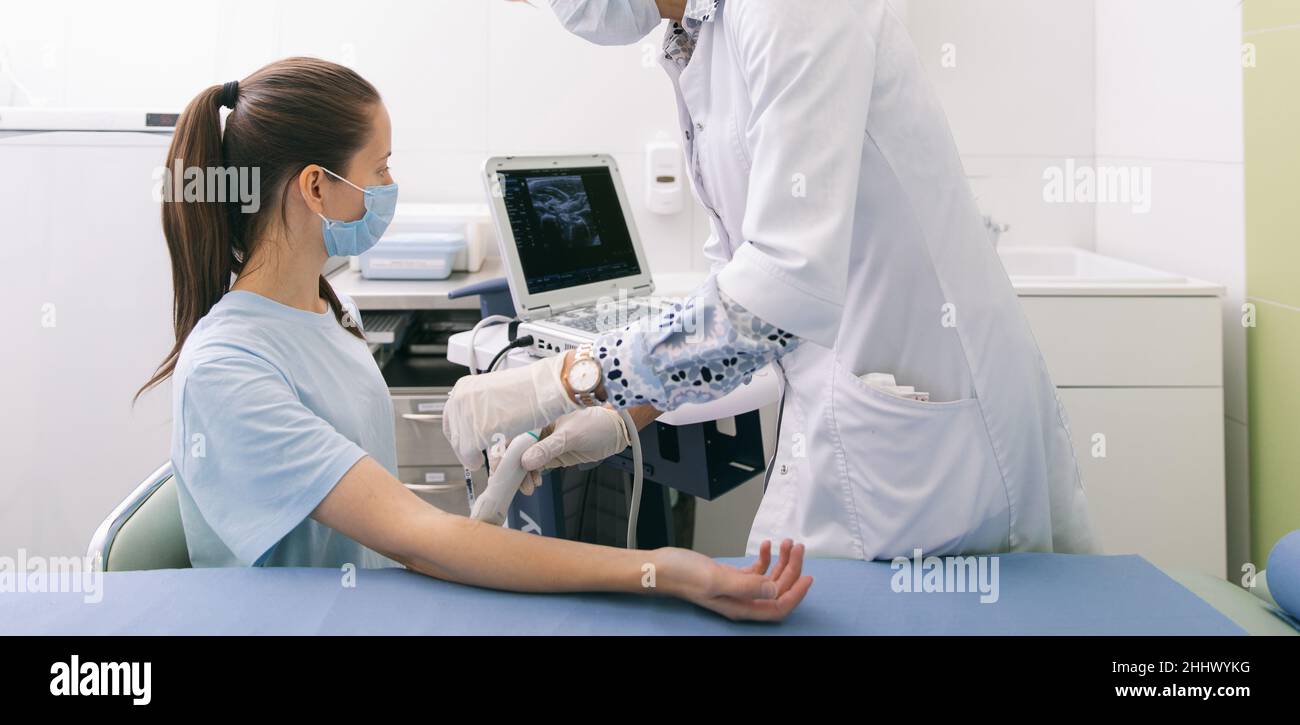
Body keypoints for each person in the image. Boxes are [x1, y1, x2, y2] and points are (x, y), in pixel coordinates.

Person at [138, 57, 811, 622]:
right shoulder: (229, 367)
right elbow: (416, 540)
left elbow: (394, 526)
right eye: (381, 169)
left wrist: (486, 504)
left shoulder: (322, 309)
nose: (390, 188)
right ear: (316, 186)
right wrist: (662, 571)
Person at [443, 0, 1100, 560]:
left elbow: (782, 291)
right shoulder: (702, 38)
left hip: (929, 441)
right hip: (856, 414)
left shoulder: (791, 10)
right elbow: (740, 290)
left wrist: (566, 379)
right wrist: (624, 412)